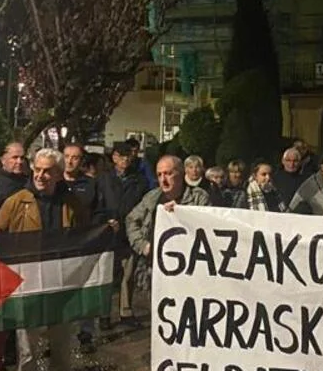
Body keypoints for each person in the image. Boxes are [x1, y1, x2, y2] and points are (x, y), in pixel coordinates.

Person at [0, 148, 89, 371]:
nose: (41, 175)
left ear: (58, 174)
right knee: (27, 351)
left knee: (62, 349)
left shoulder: (72, 203)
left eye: (47, 171)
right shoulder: (16, 201)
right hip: (28, 286)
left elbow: (86, 236)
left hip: (62, 288)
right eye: (37, 170)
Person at [125, 155, 212, 315]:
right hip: (156, 272)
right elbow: (131, 220)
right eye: (159, 174)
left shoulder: (199, 197)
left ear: (181, 173)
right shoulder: (151, 197)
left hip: (188, 272)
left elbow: (207, 226)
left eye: (168, 173)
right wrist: (142, 245)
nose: (163, 179)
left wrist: (181, 212)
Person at [62, 143, 117, 351]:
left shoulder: (91, 184)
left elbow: (100, 211)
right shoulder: (54, 182)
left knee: (86, 290)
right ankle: (58, 337)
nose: (70, 161)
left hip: (85, 246)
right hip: (59, 247)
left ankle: (86, 334)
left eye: (75, 157)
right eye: (67, 156)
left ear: (81, 161)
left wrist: (104, 227)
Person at [105, 142, 149, 323]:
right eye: (121, 156)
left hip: (129, 233)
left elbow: (145, 205)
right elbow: (98, 204)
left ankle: (126, 310)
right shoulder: (104, 179)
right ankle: (104, 314)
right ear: (114, 157)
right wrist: (105, 220)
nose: (125, 160)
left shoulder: (139, 180)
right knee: (107, 276)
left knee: (128, 274)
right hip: (108, 233)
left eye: (128, 156)